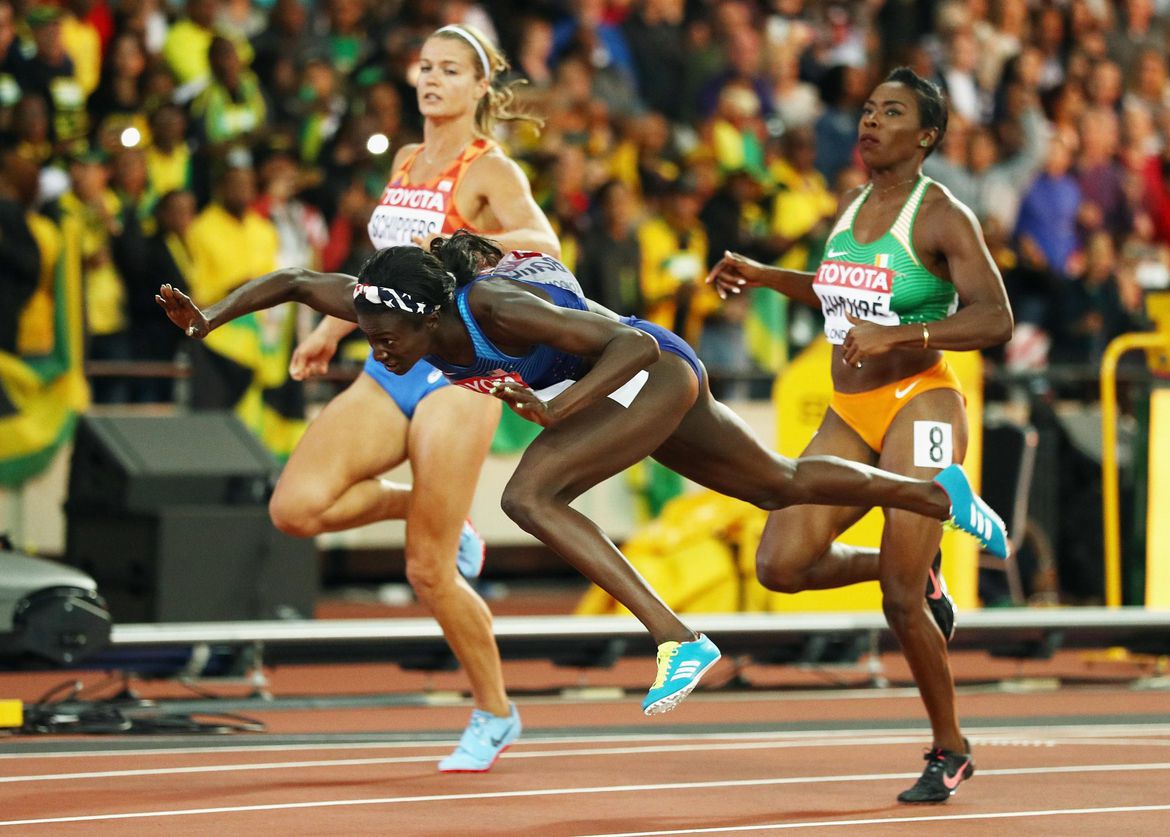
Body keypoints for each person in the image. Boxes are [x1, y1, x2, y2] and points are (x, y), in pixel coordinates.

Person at [156, 228, 1008, 728]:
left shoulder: (494, 309)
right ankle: (938, 496)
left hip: (648, 369)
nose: (377, 346)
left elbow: (634, 341)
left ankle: (678, 637)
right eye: (366, 329)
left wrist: (562, 412)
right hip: (625, 382)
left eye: (387, 336)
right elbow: (300, 281)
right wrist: (210, 315)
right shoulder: (390, 298)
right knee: (778, 485)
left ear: (430, 315)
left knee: (529, 493)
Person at [706, 67, 1014, 803]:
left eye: (892, 112)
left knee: (901, 603)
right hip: (851, 413)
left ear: (927, 135)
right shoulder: (853, 205)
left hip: (922, 404)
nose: (871, 121)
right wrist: (763, 274)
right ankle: (920, 569)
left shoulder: (941, 215)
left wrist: (903, 332)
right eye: (870, 109)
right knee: (780, 563)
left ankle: (951, 746)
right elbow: (836, 288)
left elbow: (995, 318)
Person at [264, 24, 559, 774]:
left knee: (428, 571)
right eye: (424, 66)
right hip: (389, 360)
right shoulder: (404, 158)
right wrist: (332, 326)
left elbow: (546, 243)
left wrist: (468, 248)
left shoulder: (487, 167)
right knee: (294, 507)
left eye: (449, 70)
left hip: (458, 370)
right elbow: (383, 264)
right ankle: (419, 501)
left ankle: (495, 710)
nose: (430, 78)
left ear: (477, 89)